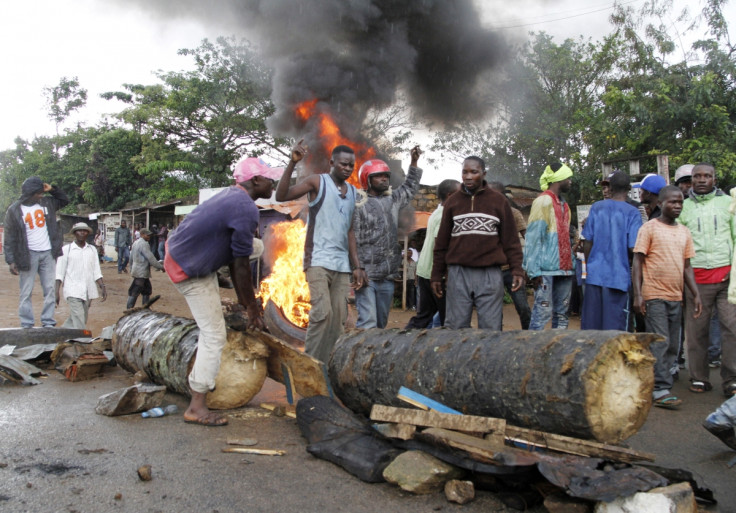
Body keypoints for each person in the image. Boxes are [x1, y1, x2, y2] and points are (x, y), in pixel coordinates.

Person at [164, 159, 273, 427]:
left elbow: (242, 254)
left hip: (188, 254)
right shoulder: (246, 207)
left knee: (255, 247)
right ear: (256, 180)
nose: (274, 183)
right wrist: (251, 307)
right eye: (271, 178)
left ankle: (217, 273)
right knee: (214, 335)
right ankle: (196, 407)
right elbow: (240, 267)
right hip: (187, 269)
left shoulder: (233, 195)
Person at [275, 140, 367, 363]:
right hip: (317, 261)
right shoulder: (317, 182)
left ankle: (329, 365)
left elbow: (350, 231)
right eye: (343, 164)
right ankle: (311, 365)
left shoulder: (353, 193)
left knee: (338, 319)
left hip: (341, 266)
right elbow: (282, 195)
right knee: (321, 313)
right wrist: (292, 163)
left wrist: (357, 266)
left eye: (351, 166)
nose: (347, 168)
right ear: (332, 162)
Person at [431, 156, 524, 330]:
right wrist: (436, 274)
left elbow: (511, 241)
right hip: (458, 274)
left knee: (490, 328)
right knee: (455, 327)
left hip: (490, 274)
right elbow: (442, 243)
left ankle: (488, 357)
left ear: (483, 173)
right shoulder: (452, 202)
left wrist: (517, 269)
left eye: (473, 172)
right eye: (464, 172)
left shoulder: (499, 202)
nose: (468, 176)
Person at [632, 185, 702, 409]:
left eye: (680, 202)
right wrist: (638, 295)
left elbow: (687, 267)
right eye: (673, 202)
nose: (677, 206)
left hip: (676, 296)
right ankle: (660, 388)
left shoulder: (684, 232)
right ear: (661, 203)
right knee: (660, 342)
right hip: (654, 295)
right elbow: (637, 262)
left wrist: (696, 294)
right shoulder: (649, 229)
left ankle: (659, 380)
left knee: (673, 344)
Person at [678, 163, 736, 397]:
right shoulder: (684, 207)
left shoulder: (727, 204)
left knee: (731, 329)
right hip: (696, 280)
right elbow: (679, 245)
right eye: (697, 176)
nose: (702, 180)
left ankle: (731, 379)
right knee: (697, 331)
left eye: (707, 176)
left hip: (727, 278)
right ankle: (699, 377)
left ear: (714, 179)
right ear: (691, 180)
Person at [353, 147, 423, 329]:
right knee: (368, 323)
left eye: (386, 175)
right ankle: (362, 356)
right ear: (367, 179)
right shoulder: (357, 204)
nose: (384, 178)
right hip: (367, 276)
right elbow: (352, 238)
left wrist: (413, 163)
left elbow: (409, 188)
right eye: (378, 176)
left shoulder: (392, 199)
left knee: (381, 324)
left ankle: (374, 356)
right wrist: (357, 268)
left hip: (387, 277)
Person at [4, 176, 69, 328]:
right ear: (29, 194)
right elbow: (9, 237)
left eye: (42, 192)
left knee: (50, 289)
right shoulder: (14, 210)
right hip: (27, 255)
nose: (41, 195)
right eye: (38, 193)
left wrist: (52, 189)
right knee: (26, 291)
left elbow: (65, 200)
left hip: (48, 253)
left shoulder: (47, 203)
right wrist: (11, 260)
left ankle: (48, 322)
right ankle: (27, 323)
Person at [581, 172, 642, 330]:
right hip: (618, 277)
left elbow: (587, 241)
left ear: (611, 187)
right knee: (615, 328)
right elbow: (633, 247)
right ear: (629, 189)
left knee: (592, 326)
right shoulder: (632, 212)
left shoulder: (597, 207)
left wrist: (589, 265)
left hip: (595, 276)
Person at [522, 163, 575, 331]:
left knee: (562, 313)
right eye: (568, 178)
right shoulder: (543, 201)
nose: (570, 181)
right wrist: (533, 270)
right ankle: (533, 350)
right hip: (545, 269)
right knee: (542, 312)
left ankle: (557, 350)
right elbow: (533, 236)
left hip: (564, 268)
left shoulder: (564, 205)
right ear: (559, 179)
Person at [405, 179, 460, 330]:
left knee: (424, 316)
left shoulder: (437, 212)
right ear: (450, 195)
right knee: (447, 318)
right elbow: (440, 244)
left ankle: (402, 340)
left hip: (425, 270)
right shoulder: (445, 215)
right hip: (437, 274)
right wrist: (446, 273)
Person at [488, 181, 531, 330]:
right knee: (495, 311)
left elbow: (528, 239)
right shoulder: (485, 215)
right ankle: (496, 341)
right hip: (492, 270)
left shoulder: (514, 213)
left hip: (512, 270)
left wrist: (528, 266)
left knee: (523, 307)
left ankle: (528, 337)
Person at [54, 223, 106, 329]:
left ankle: (61, 335)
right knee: (79, 317)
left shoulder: (92, 249)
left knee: (79, 318)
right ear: (74, 233)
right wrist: (56, 292)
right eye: (79, 230)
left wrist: (102, 286)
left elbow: (96, 271)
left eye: (85, 231)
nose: (82, 232)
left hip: (88, 289)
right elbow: (59, 273)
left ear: (88, 233)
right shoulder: (66, 250)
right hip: (72, 289)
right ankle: (82, 341)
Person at [127, 228, 164, 309]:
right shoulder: (144, 244)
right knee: (135, 290)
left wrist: (131, 268)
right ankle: (129, 308)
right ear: (142, 234)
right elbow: (150, 257)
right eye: (147, 235)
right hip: (141, 271)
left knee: (147, 290)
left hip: (138, 270)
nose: (149, 237)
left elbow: (131, 258)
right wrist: (160, 267)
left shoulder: (136, 242)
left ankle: (145, 308)